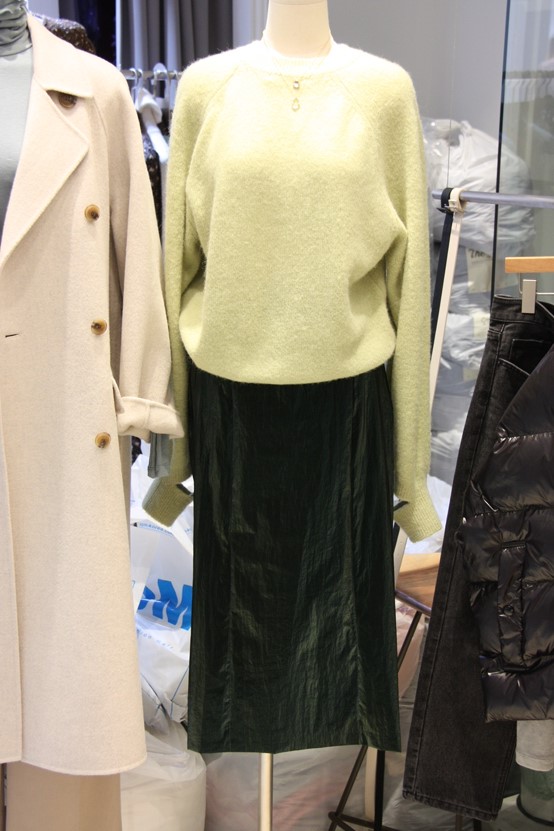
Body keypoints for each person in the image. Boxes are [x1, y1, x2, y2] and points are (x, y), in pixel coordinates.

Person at [145, 0, 440, 756]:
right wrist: (174, 463)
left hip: (348, 414)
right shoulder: (207, 87)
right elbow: (175, 271)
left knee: (341, 644)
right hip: (232, 414)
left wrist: (410, 478)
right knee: (237, 649)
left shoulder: (384, 92)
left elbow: (409, 290)